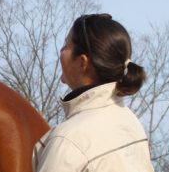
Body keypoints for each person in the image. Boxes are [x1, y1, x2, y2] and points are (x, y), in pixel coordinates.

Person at [32, 13, 155, 172]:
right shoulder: (130, 122)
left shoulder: (68, 139)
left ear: (82, 62)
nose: (60, 52)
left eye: (66, 46)